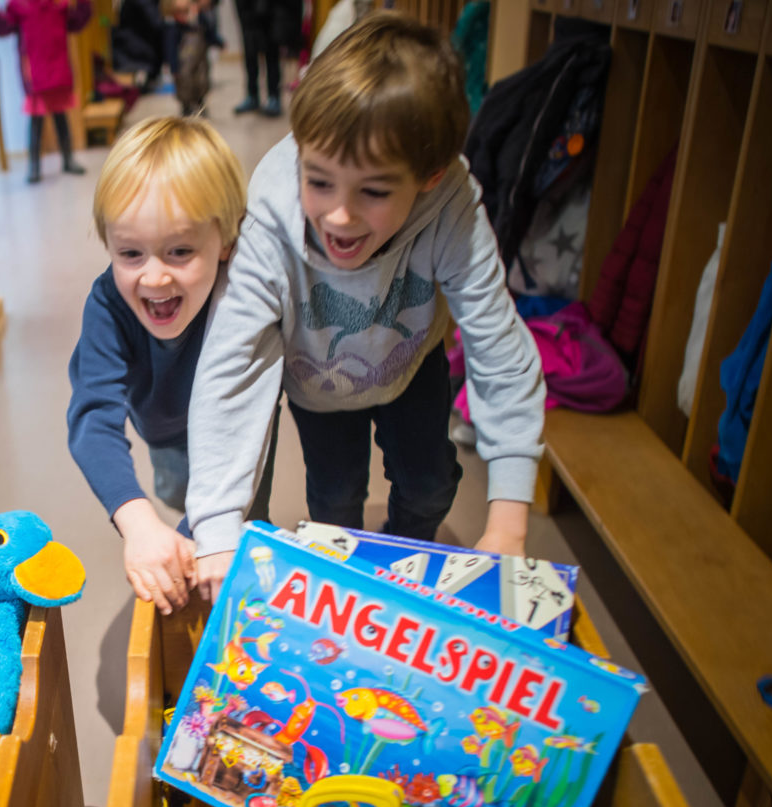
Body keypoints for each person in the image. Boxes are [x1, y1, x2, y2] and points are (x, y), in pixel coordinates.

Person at [186, 13, 545, 602]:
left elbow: (500, 351)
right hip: (318, 385)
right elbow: (230, 368)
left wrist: (509, 521)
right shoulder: (271, 216)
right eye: (319, 181)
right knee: (333, 502)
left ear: (428, 177)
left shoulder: (453, 207)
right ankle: (351, 594)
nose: (339, 217)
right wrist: (217, 528)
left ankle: (405, 574)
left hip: (410, 365)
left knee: (431, 487)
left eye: (373, 192)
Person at [68, 116, 263, 615]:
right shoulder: (108, 305)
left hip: (240, 423)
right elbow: (93, 421)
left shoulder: (243, 290)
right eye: (130, 253)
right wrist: (138, 523)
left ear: (225, 240)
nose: (154, 276)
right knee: (178, 491)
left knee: (239, 525)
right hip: (165, 429)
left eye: (179, 251)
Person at [0, 1, 92, 184]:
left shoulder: (59, 4)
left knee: (61, 116)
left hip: (58, 68)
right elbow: (4, 27)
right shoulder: (20, 5)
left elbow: (77, 22)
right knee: (36, 121)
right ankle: (34, 165)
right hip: (35, 71)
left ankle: (68, 159)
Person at [232, 0, 300, 117]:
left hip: (269, 14)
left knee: (271, 55)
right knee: (250, 55)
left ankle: (274, 96)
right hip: (247, 13)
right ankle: (252, 95)